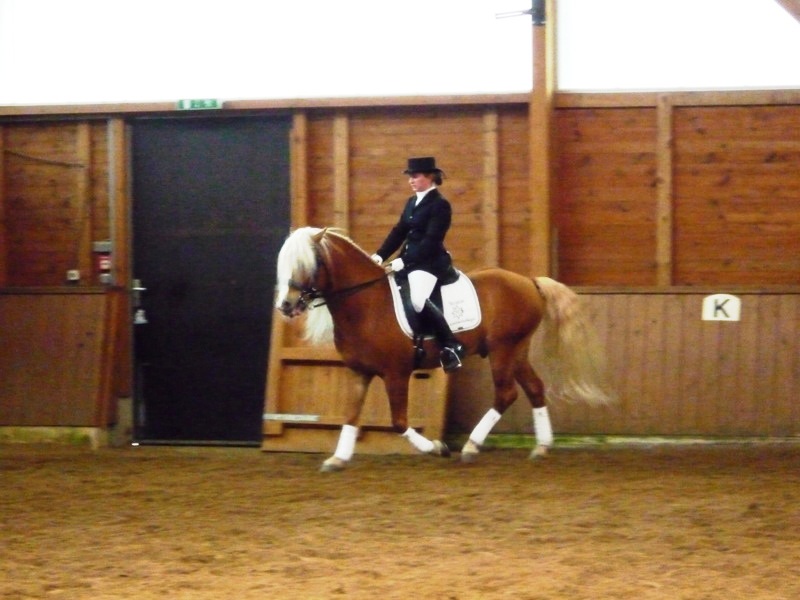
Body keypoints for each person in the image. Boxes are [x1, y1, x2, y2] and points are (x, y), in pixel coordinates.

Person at [371, 157, 465, 372]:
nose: (411, 181)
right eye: (410, 177)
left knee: (417, 300)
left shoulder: (440, 205)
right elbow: (399, 232)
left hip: (429, 262)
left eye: (415, 176)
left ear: (429, 177)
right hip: (409, 260)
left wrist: (404, 261)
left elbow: (431, 241)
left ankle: (451, 345)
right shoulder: (411, 202)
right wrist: (380, 255)